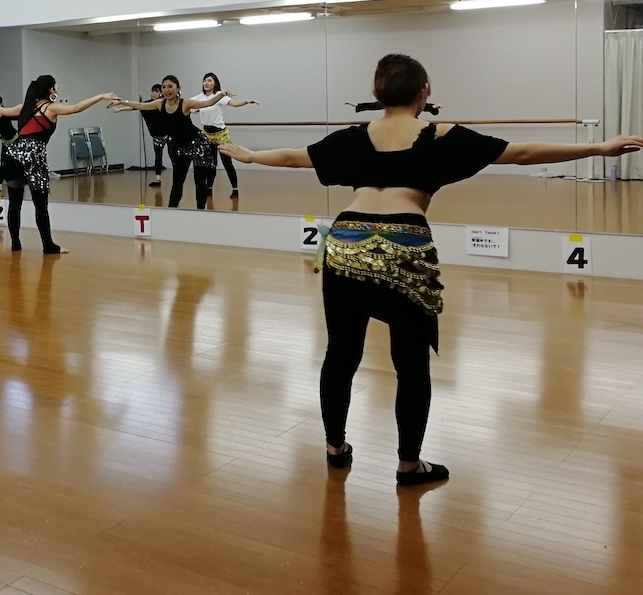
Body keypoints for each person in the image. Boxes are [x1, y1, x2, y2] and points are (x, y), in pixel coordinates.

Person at [219, 53, 642, 487]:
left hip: (345, 241)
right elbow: (523, 153)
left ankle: (335, 449)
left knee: (341, 354)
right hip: (404, 242)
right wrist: (599, 147)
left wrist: (250, 156)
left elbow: (296, 158)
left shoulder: (354, 137)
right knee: (410, 364)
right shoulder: (442, 136)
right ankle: (408, 466)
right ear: (425, 92)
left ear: (375, 93)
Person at [0, 75, 118, 253]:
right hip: (34, 160)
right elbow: (76, 108)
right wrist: (102, 96)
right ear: (51, 90)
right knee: (40, 206)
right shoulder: (50, 108)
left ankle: (15, 243)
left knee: (15, 203)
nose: (57, 90)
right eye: (55, 87)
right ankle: (48, 245)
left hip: (13, 157)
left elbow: (4, 111)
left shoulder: (26, 107)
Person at [110, 75, 229, 208]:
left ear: (178, 88)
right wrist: (122, 102)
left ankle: (200, 211)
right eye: (164, 87)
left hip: (198, 144)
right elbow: (140, 105)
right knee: (177, 181)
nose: (167, 90)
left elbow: (208, 103)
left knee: (200, 180)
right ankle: (171, 210)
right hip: (179, 146)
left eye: (170, 86)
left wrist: (221, 94)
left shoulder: (185, 103)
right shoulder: (159, 104)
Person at [190, 71, 258, 201]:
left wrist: (247, 101)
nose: (206, 83)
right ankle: (209, 188)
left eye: (209, 80)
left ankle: (235, 189)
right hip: (207, 135)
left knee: (227, 163)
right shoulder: (199, 97)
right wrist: (192, 110)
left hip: (221, 135)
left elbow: (234, 104)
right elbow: (188, 106)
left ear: (215, 83)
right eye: (205, 80)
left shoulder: (218, 96)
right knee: (211, 163)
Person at [139, 83, 171, 188]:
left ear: (161, 93)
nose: (153, 93)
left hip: (169, 134)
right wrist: (121, 108)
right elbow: (135, 106)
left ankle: (178, 177)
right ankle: (157, 180)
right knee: (158, 156)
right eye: (152, 91)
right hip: (157, 136)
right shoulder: (147, 104)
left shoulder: (165, 104)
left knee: (173, 156)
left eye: (156, 91)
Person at [347, 100, 442, 116]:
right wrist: (358, 105)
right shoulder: (392, 101)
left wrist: (433, 107)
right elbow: (376, 105)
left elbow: (423, 106)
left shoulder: (411, 101)